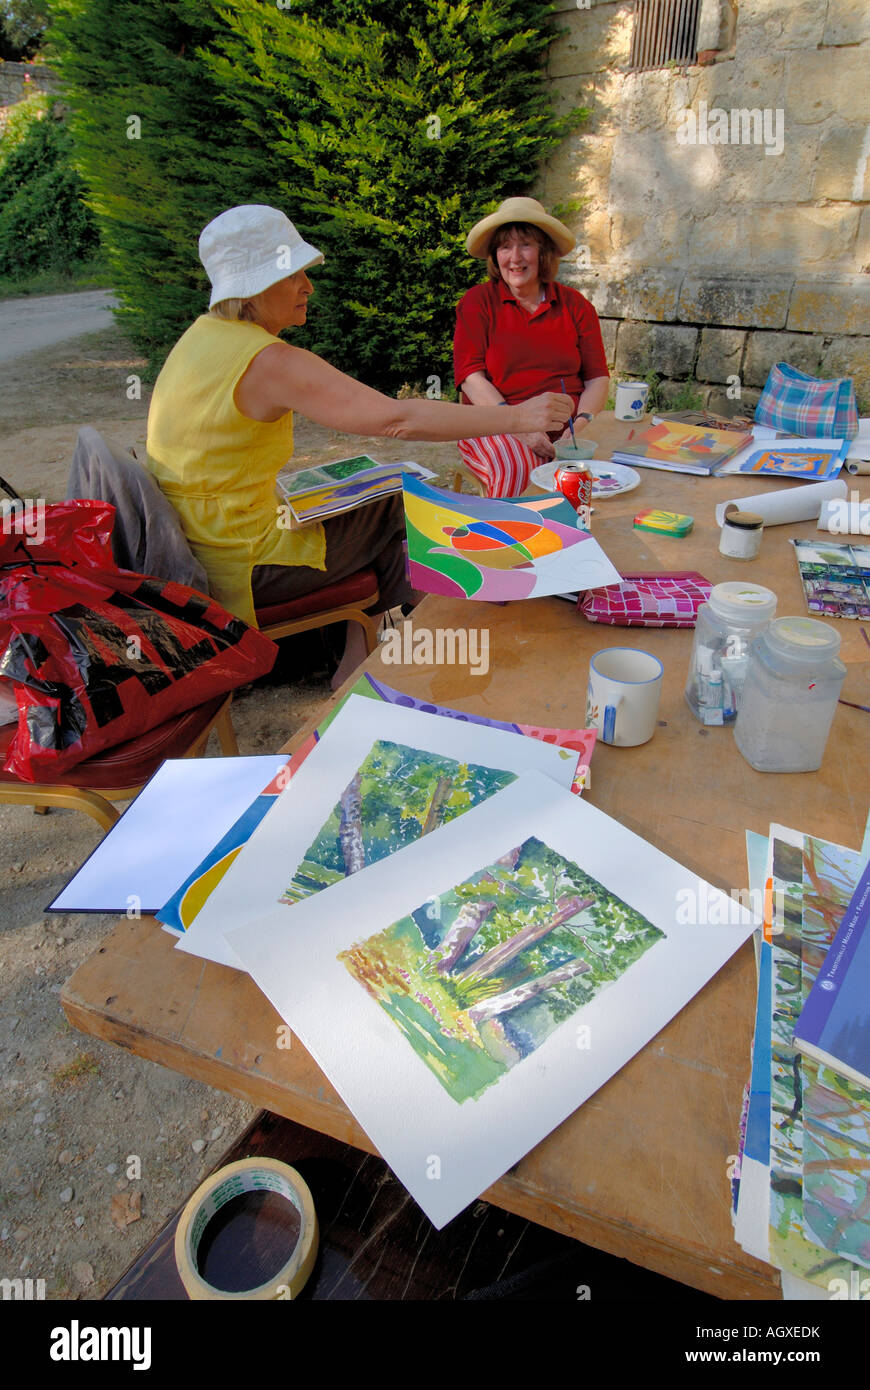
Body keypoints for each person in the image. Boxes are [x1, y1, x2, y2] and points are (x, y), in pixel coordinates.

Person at [146, 205, 571, 685]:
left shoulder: (202, 336)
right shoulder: (268, 361)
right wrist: (516, 417)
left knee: (388, 518)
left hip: (202, 544)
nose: (308, 286)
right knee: (401, 502)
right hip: (239, 560)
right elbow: (397, 418)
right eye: (296, 275)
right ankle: (508, 588)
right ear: (257, 287)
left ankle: (369, 653)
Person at [453, 196, 610, 497]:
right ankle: (508, 542)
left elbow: (597, 378)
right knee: (518, 467)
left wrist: (583, 421)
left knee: (609, 470)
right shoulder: (477, 302)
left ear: (544, 252)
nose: (514, 257)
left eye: (525, 244)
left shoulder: (576, 306)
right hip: (493, 423)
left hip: (568, 429)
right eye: (504, 247)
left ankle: (579, 541)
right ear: (495, 256)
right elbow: (470, 377)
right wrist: (517, 425)